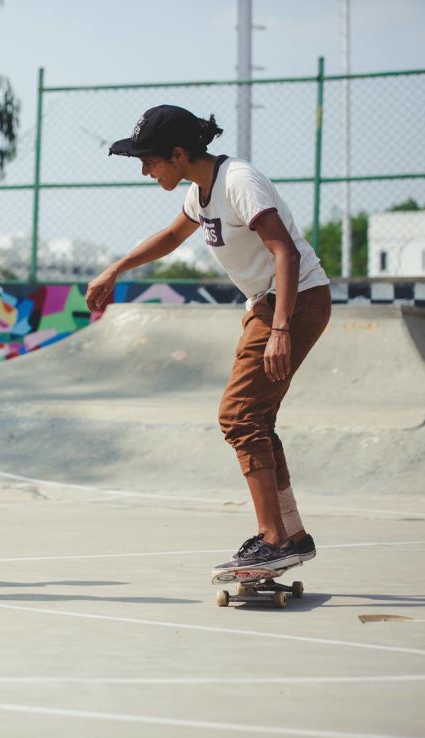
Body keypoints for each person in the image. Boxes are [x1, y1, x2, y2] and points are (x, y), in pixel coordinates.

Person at [84, 105, 331, 575]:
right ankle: (291, 535)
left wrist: (280, 328)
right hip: (273, 304)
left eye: (150, 161)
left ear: (179, 154)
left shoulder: (238, 181)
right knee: (256, 418)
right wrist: (116, 268)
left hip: (292, 302)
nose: (144, 170)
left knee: (239, 416)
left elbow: (286, 251)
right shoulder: (202, 193)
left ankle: (274, 539)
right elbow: (171, 237)